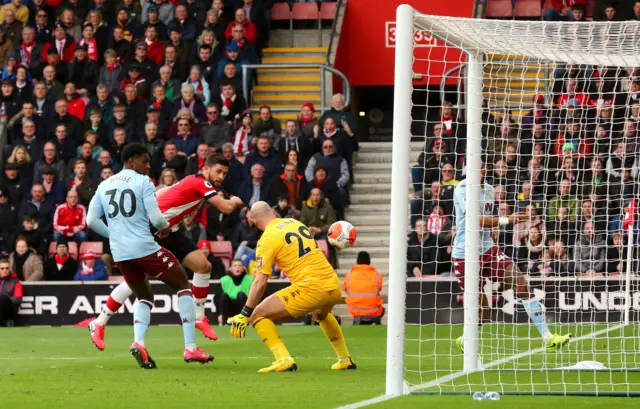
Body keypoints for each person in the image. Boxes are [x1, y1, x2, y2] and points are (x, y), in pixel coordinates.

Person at [89, 156, 244, 348]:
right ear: (205, 169)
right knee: (135, 283)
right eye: (218, 171)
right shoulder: (200, 182)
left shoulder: (193, 183)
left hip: (171, 231)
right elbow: (227, 207)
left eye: (225, 174)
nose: (221, 176)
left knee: (203, 266)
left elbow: (165, 194)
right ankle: (99, 323)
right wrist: (235, 201)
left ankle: (198, 319)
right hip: (153, 230)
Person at [87, 142, 213, 366]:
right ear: (131, 161)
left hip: (120, 252)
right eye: (144, 161)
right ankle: (190, 348)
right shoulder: (143, 181)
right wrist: (165, 227)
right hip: (143, 246)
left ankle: (139, 343)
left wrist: (113, 235)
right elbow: (155, 219)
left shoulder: (104, 185)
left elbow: (91, 221)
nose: (148, 165)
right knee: (183, 284)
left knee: (145, 295)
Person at [452, 159, 571, 353]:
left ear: (484, 167)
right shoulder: (462, 189)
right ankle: (466, 340)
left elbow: (489, 221)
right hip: (465, 254)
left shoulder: (490, 190)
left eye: (479, 166)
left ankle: (548, 338)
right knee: (483, 311)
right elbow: (475, 220)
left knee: (521, 284)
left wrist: (500, 228)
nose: (474, 170)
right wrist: (508, 219)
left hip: (488, 249)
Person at [227, 201, 355, 372]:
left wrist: (245, 313)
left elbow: (260, 282)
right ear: (273, 212)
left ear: (254, 222)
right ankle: (344, 359)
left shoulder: (266, 239)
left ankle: (284, 359)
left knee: (257, 315)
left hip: (310, 288)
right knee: (320, 314)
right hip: (332, 284)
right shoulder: (295, 223)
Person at [344, 251, 384, 324]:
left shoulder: (349, 275)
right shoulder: (377, 275)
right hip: (373, 310)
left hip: (354, 309)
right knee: (381, 307)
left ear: (357, 261)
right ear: (369, 261)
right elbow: (379, 288)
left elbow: (347, 290)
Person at [218, 258, 253, 324]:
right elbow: (217, 298)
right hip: (229, 308)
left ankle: (245, 320)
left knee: (241, 294)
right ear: (231, 268)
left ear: (243, 268)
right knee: (224, 295)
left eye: (240, 266)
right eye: (235, 266)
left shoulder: (250, 279)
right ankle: (224, 322)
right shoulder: (224, 280)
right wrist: (219, 314)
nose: (237, 268)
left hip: (244, 308)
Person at [0, 258, 21, 327]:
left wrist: (5, 299)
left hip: (10, 310)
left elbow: (17, 299)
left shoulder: (16, 283)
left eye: (7, 268)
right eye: (2, 268)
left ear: (10, 269)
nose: (5, 271)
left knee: (1, 297)